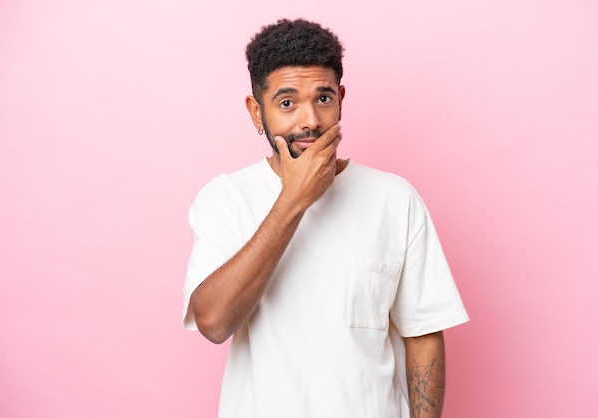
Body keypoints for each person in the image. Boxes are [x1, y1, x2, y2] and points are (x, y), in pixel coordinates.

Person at [183, 18, 469, 418]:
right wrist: (294, 200)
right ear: (256, 112)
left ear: (341, 99)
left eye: (323, 98)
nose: (310, 121)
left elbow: (423, 336)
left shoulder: (394, 199)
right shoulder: (226, 199)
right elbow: (213, 321)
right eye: (286, 103)